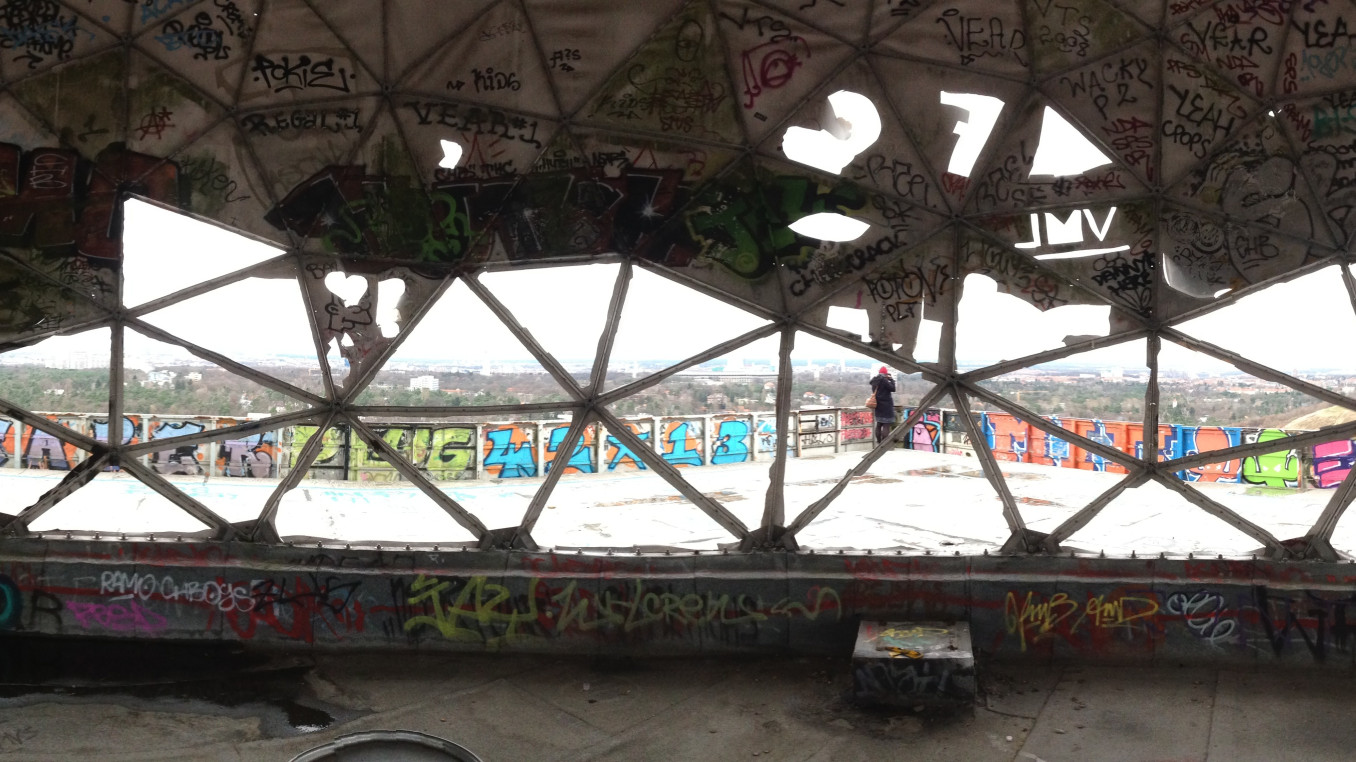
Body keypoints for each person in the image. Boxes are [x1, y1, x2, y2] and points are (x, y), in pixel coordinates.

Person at [869, 366, 896, 444]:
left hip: (878, 405)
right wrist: (891, 380)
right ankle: (884, 443)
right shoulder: (884, 381)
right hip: (887, 405)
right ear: (885, 373)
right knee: (886, 425)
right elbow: (893, 389)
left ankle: (878, 442)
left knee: (879, 424)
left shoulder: (875, 381)